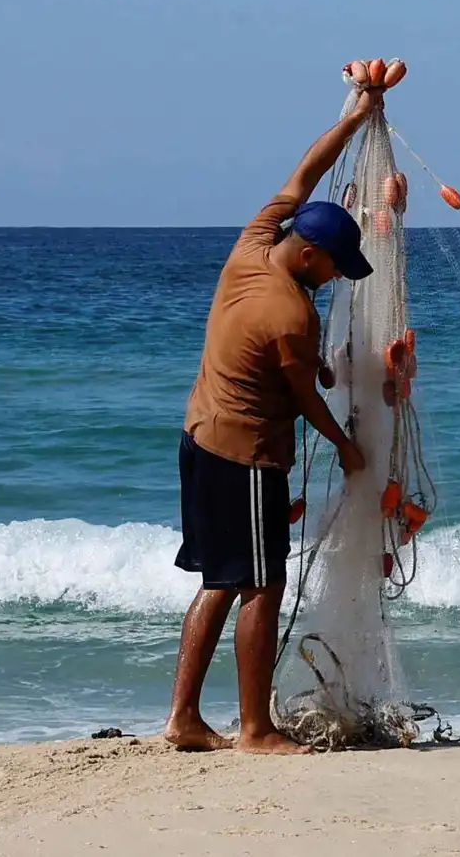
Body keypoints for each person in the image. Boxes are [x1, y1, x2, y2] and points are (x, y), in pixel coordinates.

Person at [163, 88, 382, 755]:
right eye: (336, 268)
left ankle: (184, 718)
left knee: (220, 580)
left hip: (199, 438)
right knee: (262, 584)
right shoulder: (291, 311)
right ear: (311, 254)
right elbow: (304, 398)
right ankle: (256, 730)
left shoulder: (254, 241)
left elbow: (304, 175)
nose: (335, 279)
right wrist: (345, 446)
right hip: (246, 457)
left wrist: (353, 118)